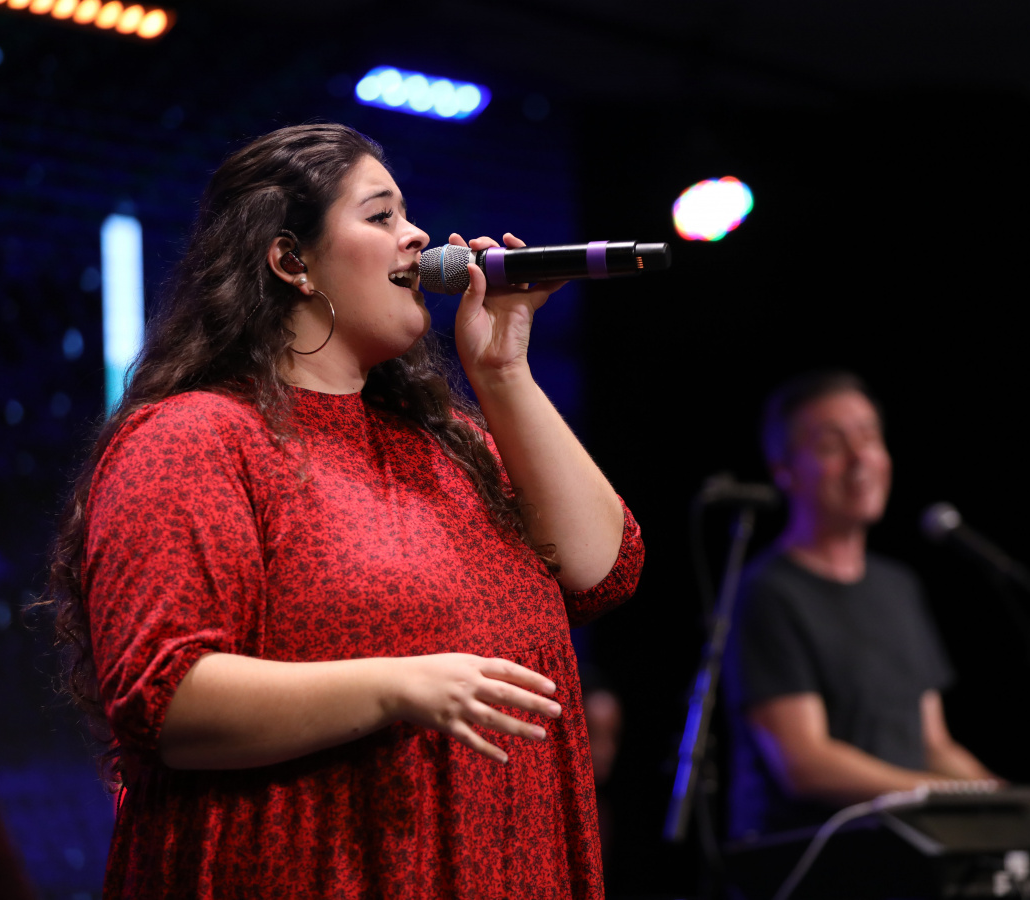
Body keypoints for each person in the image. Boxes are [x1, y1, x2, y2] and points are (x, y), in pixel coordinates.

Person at [41, 123, 643, 898]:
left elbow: (602, 572)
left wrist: (502, 370)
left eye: (409, 216)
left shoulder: (448, 443)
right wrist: (396, 687)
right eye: (381, 215)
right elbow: (164, 699)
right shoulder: (194, 438)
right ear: (291, 260)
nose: (417, 235)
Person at [723, 371, 1030, 839]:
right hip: (816, 856)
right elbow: (805, 763)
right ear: (783, 470)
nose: (860, 458)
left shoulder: (898, 586)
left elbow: (933, 745)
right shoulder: (768, 592)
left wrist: (1020, 802)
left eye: (869, 437)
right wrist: (961, 799)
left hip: (906, 845)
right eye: (832, 445)